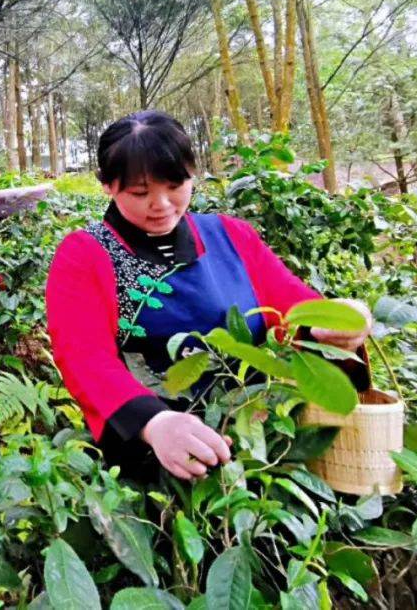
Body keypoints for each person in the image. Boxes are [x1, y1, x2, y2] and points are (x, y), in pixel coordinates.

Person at [45, 111, 372, 482]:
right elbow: (84, 357)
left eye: (175, 185)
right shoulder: (84, 254)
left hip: (260, 445)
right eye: (140, 193)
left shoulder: (231, 236)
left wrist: (339, 321)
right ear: (108, 186)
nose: (163, 204)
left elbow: (294, 306)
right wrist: (154, 422)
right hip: (152, 455)